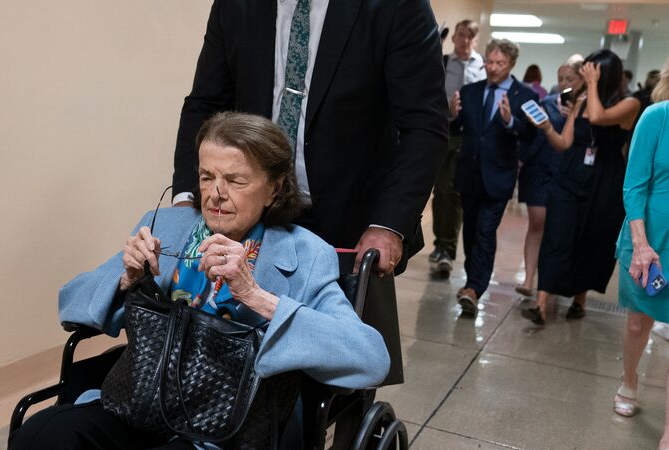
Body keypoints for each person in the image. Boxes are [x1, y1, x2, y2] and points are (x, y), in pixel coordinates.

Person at [0, 113, 390, 450]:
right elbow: (70, 303)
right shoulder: (165, 226)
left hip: (228, 439)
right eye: (207, 175)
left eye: (236, 180)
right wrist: (125, 275)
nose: (216, 194)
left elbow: (370, 357)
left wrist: (257, 296)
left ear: (274, 188)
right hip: (142, 405)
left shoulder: (306, 255)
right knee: (40, 439)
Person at [172, 0, 448, 276]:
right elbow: (205, 106)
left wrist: (389, 224)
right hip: (249, 218)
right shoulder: (235, 6)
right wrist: (187, 198)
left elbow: (423, 125)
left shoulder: (396, 7)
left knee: (330, 320)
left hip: (348, 231)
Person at [521, 50, 641, 325]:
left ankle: (579, 298)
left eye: (591, 70)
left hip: (603, 181)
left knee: (591, 240)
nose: (586, 74)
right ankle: (541, 304)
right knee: (556, 236)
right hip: (569, 176)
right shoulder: (581, 100)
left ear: (604, 73)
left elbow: (598, 118)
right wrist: (547, 127)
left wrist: (590, 87)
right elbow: (564, 143)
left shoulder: (630, 103)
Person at [449, 38, 537, 315]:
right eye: (489, 61)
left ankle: (475, 288)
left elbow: (531, 135)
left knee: (486, 232)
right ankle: (471, 281)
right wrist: (452, 116)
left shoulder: (525, 96)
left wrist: (511, 121)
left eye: (500, 63)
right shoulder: (471, 91)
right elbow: (457, 128)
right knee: (472, 231)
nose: (493, 68)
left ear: (511, 64)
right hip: (469, 174)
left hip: (498, 177)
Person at [612, 59, 669, 450]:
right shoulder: (657, 116)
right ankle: (629, 380)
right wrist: (642, 244)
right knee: (638, 324)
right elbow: (634, 184)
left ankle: (668, 441)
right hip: (650, 238)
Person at [515, 56, 585, 297]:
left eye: (570, 79)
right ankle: (528, 277)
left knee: (560, 229)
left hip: (568, 172)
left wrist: (573, 115)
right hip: (540, 168)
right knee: (537, 222)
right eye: (561, 79)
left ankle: (552, 282)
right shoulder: (546, 102)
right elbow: (528, 134)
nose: (565, 84)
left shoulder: (587, 109)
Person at [429, 19, 486, 277]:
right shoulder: (442, 62)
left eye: (470, 37)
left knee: (456, 191)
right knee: (441, 191)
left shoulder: (483, 67)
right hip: (443, 131)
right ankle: (440, 243)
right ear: (454, 38)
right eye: (461, 35)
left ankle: (448, 249)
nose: (465, 41)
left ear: (475, 40)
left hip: (468, 137)